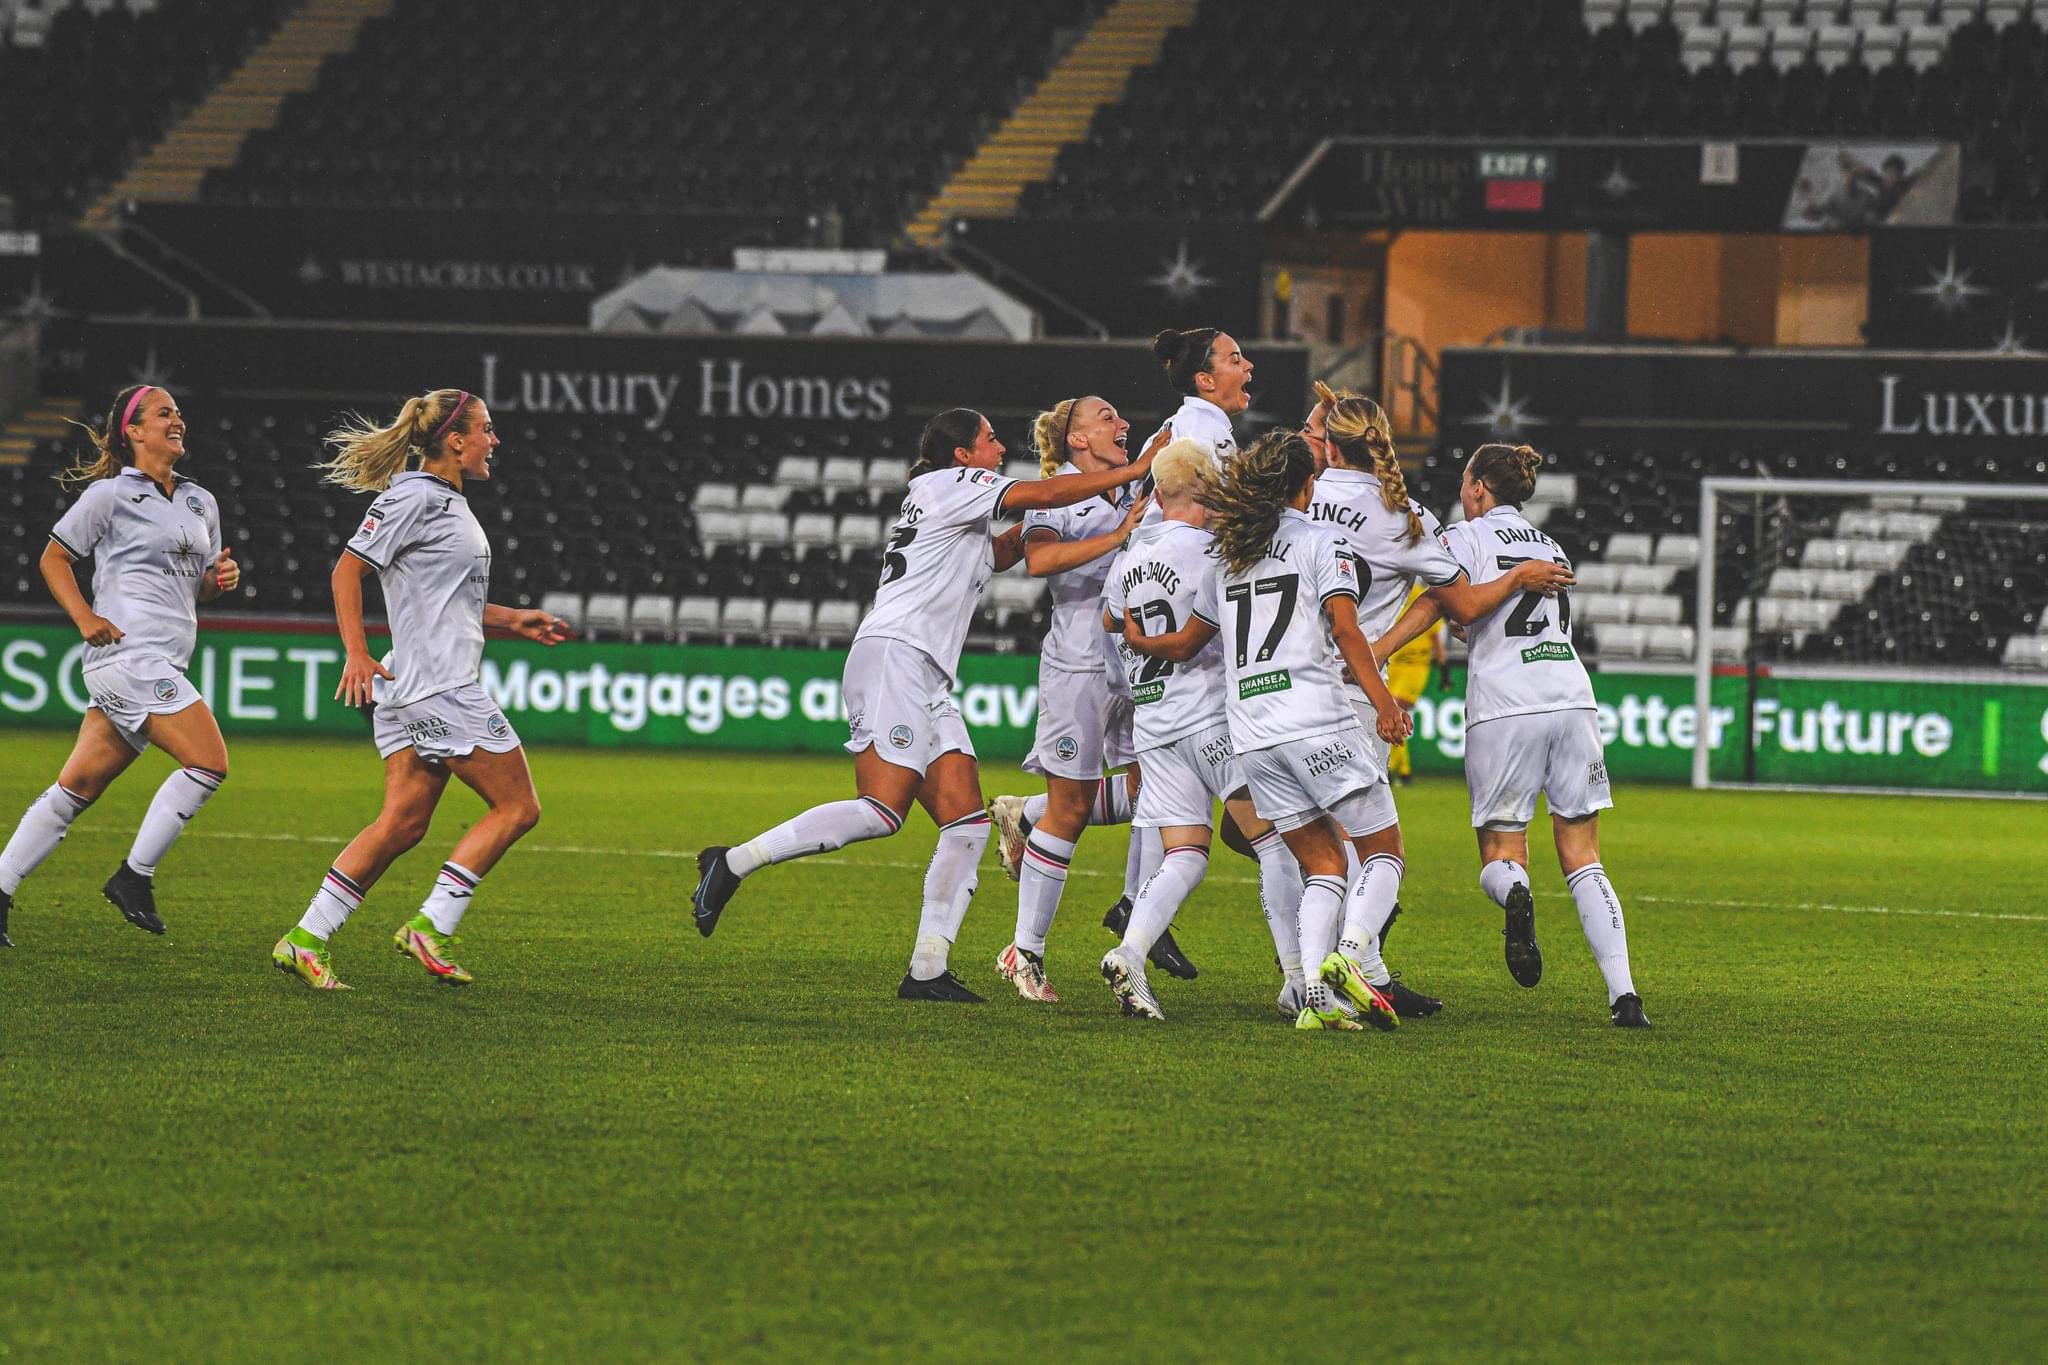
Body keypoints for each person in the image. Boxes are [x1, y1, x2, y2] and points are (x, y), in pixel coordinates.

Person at [690, 409, 1162, 1002]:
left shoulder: (954, 507)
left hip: (925, 671)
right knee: (881, 811)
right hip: (895, 656)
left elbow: (1010, 547)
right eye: (989, 440)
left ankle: (927, 969)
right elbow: (1038, 491)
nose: (998, 447)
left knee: (964, 826)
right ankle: (731, 862)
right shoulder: (949, 484)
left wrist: (1078, 516)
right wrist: (1137, 473)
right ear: (962, 455)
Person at [271, 389, 570, 990]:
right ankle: (431, 924)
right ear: (456, 440)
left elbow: (448, 601)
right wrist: (354, 651)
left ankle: (306, 938)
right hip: (439, 688)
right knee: (518, 807)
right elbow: (347, 570)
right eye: (487, 428)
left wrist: (514, 620)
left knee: (403, 822)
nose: (495, 439)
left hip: (413, 683)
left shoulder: (447, 502)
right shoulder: (414, 496)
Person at [1303, 390, 1572, 1016]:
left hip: (1276, 688)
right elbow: (1464, 604)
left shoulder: (1296, 500)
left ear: (1327, 441)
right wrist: (1517, 578)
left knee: (1285, 838)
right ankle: (1338, 970)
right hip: (1351, 690)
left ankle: (1339, 975)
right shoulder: (1402, 515)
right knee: (1368, 847)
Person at [1372, 443, 1649, 1028]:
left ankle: (1516, 893)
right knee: (1584, 856)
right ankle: (1624, 996)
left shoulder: (1464, 538)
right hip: (1572, 696)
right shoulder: (1550, 545)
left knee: (1501, 851)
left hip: (1506, 704)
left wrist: (1377, 650)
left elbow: (1439, 603)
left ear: (1476, 489)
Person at [1193, 429, 1417, 1031]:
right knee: (1384, 849)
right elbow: (1347, 631)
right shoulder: (1323, 541)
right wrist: (1385, 703)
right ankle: (1350, 958)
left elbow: (1196, 638)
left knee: (1322, 865)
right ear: (1307, 485)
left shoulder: (1228, 552)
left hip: (1253, 734)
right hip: (1315, 717)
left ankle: (1314, 994)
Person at [0, 385, 239, 945]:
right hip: (128, 657)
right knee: (208, 763)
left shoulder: (201, 502)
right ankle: (134, 876)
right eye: (163, 413)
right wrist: (84, 617)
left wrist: (218, 581)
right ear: (132, 431)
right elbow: (54, 557)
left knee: (74, 789)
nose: (177, 419)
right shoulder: (110, 495)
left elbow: (202, 587)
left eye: (179, 411)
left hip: (163, 662)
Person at [1099, 439, 1311, 1021]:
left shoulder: (1126, 562)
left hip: (1155, 723)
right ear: (1200, 486)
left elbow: (1110, 631)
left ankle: (1131, 952)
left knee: (1185, 855)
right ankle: (1296, 978)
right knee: (1274, 843)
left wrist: (1136, 691)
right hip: (1215, 718)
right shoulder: (1215, 551)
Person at [978, 395, 1167, 1003]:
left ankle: (1024, 813)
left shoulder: (1133, 489)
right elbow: (1039, 560)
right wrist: (1120, 535)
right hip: (1079, 665)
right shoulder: (1053, 488)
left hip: (1137, 663)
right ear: (1078, 438)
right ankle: (1024, 953)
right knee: (1072, 808)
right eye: (1109, 417)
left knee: (1153, 794)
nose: (1124, 423)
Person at [1381, 585, 1447, 785]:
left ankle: (1394, 769)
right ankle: (1402, 771)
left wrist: (1444, 670)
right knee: (1393, 717)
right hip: (1394, 666)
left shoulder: (1421, 595)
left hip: (1416, 667)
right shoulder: (1391, 594)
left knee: (1397, 713)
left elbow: (1435, 638)